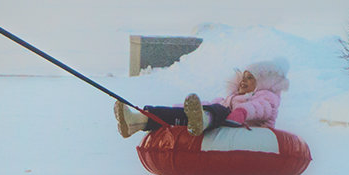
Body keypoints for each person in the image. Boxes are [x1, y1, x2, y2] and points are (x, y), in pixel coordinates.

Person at [114, 57, 290, 138]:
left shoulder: (267, 97)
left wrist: (242, 112)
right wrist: (181, 109)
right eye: (243, 77)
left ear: (263, 82)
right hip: (225, 124)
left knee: (219, 111)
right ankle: (138, 120)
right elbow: (213, 104)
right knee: (212, 108)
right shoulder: (232, 97)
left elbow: (259, 108)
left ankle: (204, 119)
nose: (243, 81)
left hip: (248, 132)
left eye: (250, 78)